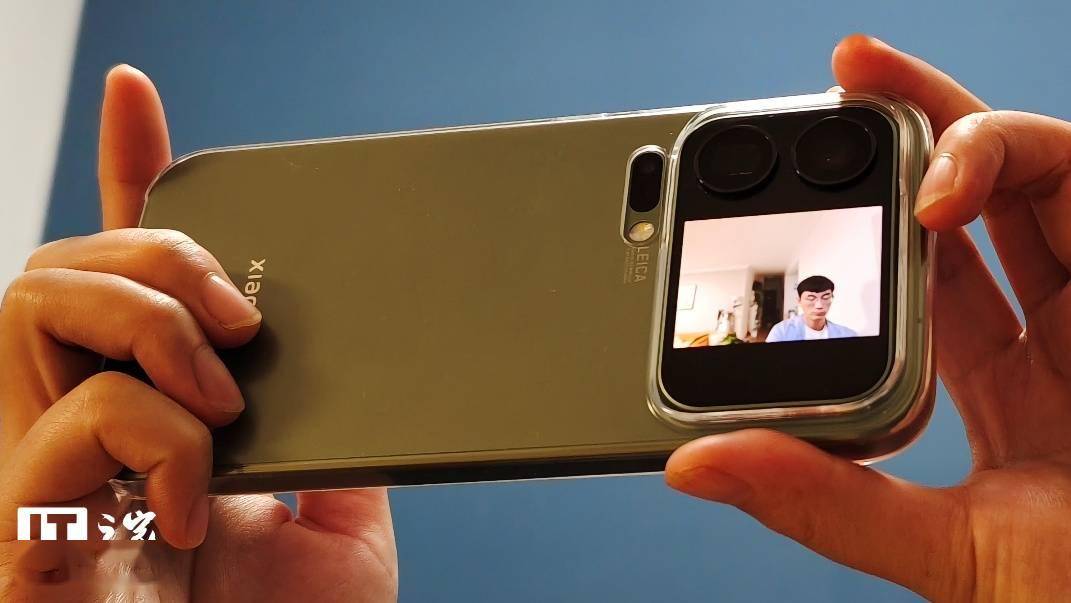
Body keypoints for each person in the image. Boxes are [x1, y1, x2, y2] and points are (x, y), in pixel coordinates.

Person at [2, 33, 1071, 601]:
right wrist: (105, 579)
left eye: (823, 294)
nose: (821, 302)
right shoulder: (774, 335)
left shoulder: (799, 346)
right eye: (815, 291)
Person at [765, 275, 857, 342]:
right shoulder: (781, 332)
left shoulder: (847, 334)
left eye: (825, 297)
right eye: (811, 298)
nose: (819, 305)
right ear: (799, 301)